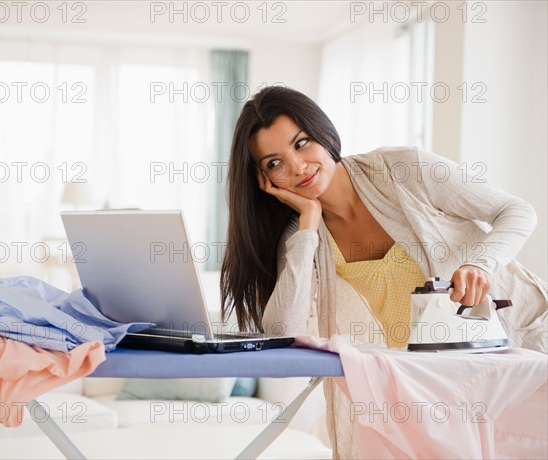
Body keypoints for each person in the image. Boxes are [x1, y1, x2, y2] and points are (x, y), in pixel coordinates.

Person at [219, 86, 547, 458]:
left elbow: (517, 211)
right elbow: (282, 330)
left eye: (301, 143)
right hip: (456, 378)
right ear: (265, 181)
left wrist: (479, 263)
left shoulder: (403, 169)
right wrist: (309, 221)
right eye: (274, 163)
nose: (297, 167)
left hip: (525, 338)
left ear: (325, 133)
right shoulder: (301, 238)